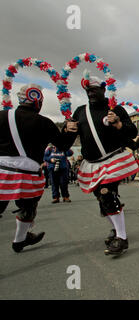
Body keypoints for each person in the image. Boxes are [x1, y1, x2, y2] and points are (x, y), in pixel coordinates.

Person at [67, 73, 139, 256]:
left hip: (113, 160)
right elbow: (65, 141)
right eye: (88, 90)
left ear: (104, 89)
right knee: (102, 200)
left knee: (107, 194)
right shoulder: (80, 112)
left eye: (94, 90)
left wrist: (118, 123)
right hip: (92, 164)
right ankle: (116, 229)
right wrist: (66, 129)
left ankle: (122, 238)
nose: (90, 93)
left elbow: (132, 132)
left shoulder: (115, 109)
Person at [0, 84, 77, 253]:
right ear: (38, 102)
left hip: (0, 172)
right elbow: (63, 145)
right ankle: (19, 239)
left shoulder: (1, 116)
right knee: (28, 206)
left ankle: (21, 239)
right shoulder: (43, 122)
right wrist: (71, 131)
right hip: (27, 174)